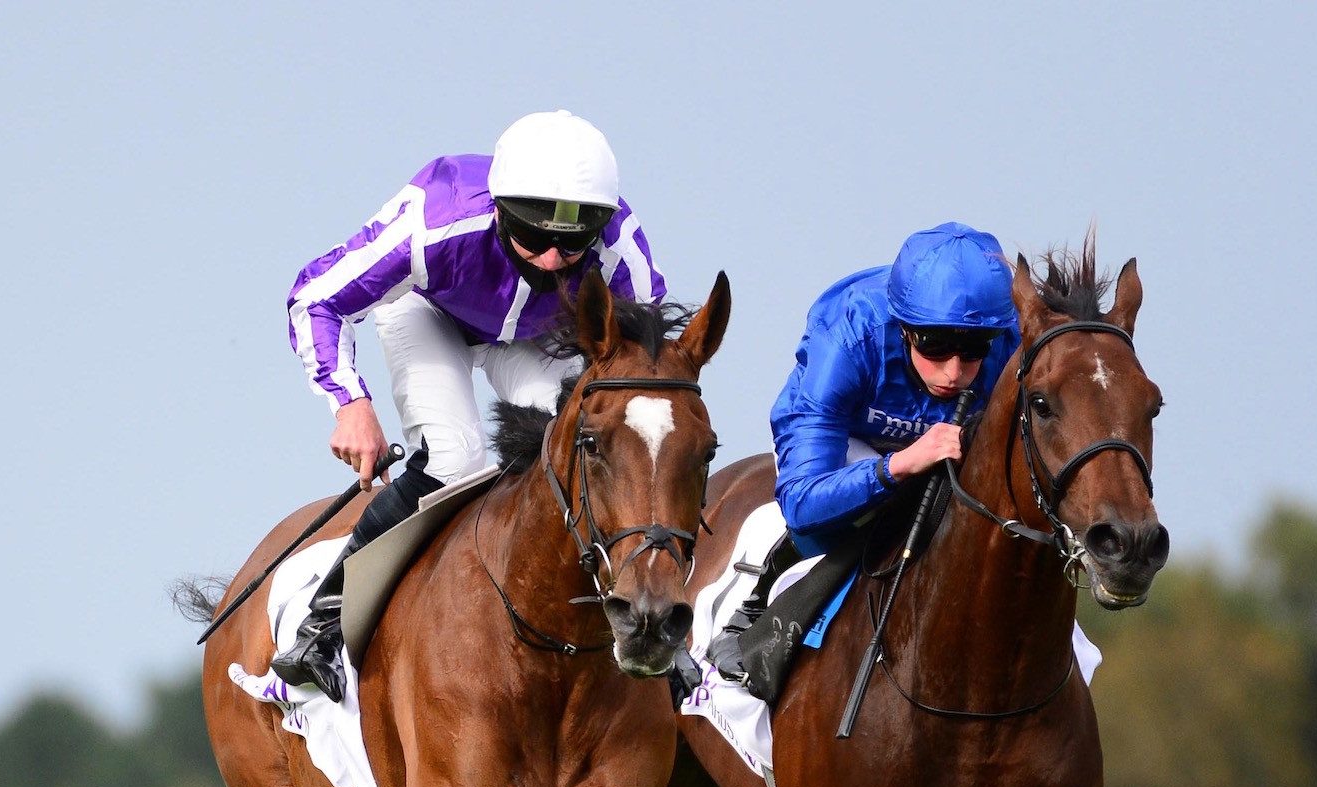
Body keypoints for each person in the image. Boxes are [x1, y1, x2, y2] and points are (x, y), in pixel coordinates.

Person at [272, 110, 666, 701]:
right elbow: (315, 298)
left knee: (587, 445)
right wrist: (349, 401)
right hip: (427, 313)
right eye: (533, 237)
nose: (552, 261)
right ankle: (324, 622)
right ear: (500, 211)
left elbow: (646, 367)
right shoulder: (438, 222)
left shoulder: (617, 244)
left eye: (572, 243)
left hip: (536, 335)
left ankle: (636, 619)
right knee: (457, 457)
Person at [708, 223, 1014, 677]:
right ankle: (753, 603)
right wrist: (898, 466)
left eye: (972, 350)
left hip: (944, 446)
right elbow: (803, 501)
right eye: (935, 345)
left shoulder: (1011, 344)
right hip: (846, 439)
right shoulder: (849, 335)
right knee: (855, 518)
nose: (954, 371)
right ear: (906, 329)